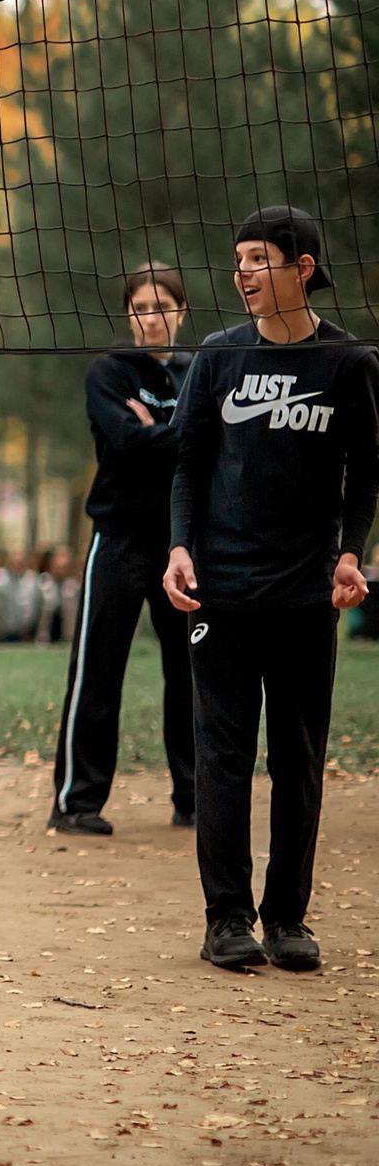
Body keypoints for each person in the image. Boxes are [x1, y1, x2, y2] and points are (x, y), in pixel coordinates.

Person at [166, 206, 376, 973]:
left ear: (304, 267)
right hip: (221, 589)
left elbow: (368, 474)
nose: (243, 273)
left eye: (259, 258)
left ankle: (286, 915)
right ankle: (226, 919)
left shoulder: (349, 363)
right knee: (223, 753)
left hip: (304, 592)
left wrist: (352, 554)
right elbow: (187, 462)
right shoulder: (218, 358)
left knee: (298, 756)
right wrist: (180, 546)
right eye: (238, 258)